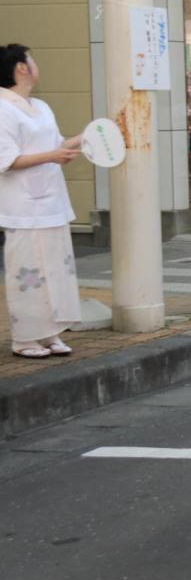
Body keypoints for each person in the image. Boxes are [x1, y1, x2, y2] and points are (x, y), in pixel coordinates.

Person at [0, 44, 81, 359]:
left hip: (52, 202)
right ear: (21, 68)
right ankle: (24, 338)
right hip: (22, 206)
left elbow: (56, 145)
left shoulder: (42, 106)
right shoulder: (3, 108)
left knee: (56, 269)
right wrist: (53, 155)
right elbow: (6, 159)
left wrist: (86, 137)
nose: (35, 65)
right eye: (31, 60)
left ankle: (50, 334)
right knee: (28, 272)